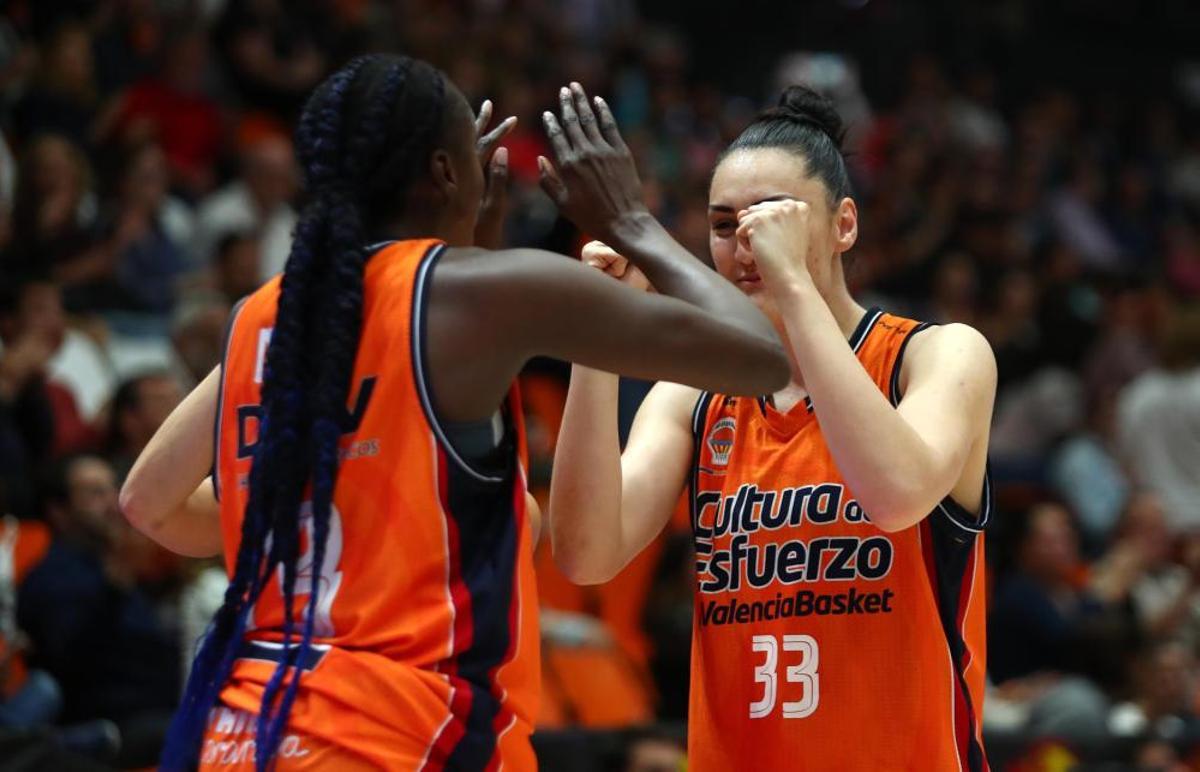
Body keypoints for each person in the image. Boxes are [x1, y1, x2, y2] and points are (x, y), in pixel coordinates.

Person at [120, 55, 787, 771]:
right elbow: (760, 356)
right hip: (391, 742)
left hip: (242, 735)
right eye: (472, 156)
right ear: (444, 172)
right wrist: (629, 219)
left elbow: (149, 503)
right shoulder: (479, 296)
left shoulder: (266, 316)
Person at [547, 86, 997, 770]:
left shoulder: (937, 356)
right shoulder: (692, 397)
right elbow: (586, 553)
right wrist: (595, 337)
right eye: (725, 225)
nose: (748, 243)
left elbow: (896, 495)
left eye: (772, 218)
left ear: (844, 225)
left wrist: (792, 283)